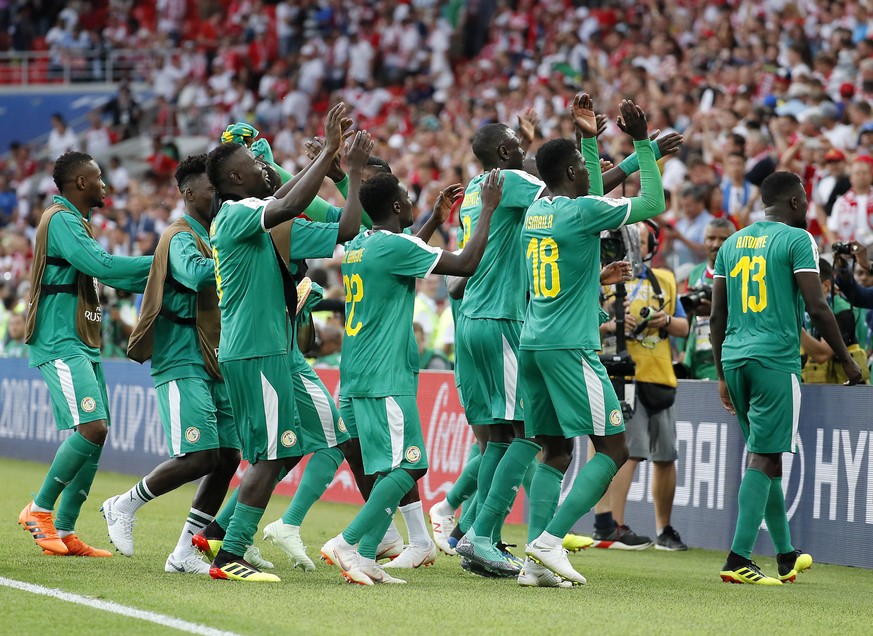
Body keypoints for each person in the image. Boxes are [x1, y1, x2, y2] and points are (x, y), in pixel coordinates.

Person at [319, 168, 504, 586]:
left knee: (391, 468)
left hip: (359, 372)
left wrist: (435, 219)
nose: (411, 200)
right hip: (385, 376)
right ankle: (349, 542)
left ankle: (366, 555)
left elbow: (402, 254)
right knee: (410, 466)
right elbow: (467, 263)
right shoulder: (394, 246)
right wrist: (488, 209)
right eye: (407, 197)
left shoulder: (360, 245)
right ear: (398, 206)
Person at [519, 97, 669, 587]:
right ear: (569, 172)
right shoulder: (580, 211)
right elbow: (652, 205)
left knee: (555, 452)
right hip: (569, 346)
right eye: (585, 163)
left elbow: (587, 194)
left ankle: (531, 564)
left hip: (534, 342)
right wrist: (644, 143)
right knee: (614, 447)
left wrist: (586, 138)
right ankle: (547, 542)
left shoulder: (537, 212)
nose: (592, 169)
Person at [203, 102, 352, 583]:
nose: (263, 169)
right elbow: (286, 201)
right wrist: (326, 152)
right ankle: (231, 554)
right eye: (253, 165)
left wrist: (326, 168)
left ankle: (222, 531)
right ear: (236, 179)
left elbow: (314, 212)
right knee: (272, 452)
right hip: (256, 350)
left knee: (310, 439)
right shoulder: (236, 213)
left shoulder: (250, 212)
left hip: (275, 349)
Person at [711, 170, 862, 585]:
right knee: (764, 456)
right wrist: (848, 361)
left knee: (767, 455)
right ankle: (738, 558)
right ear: (795, 202)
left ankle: (784, 554)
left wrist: (722, 374)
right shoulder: (798, 240)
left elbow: (716, 316)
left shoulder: (731, 242)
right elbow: (817, 307)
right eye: (806, 200)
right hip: (774, 361)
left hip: (735, 360)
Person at [99, 155, 244, 575]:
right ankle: (123, 504)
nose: (219, 194)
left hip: (213, 357)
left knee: (229, 457)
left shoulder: (215, 230)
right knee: (199, 456)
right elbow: (198, 275)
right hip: (180, 356)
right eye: (212, 188)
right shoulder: (179, 236)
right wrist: (234, 247)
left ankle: (184, 552)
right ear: (189, 194)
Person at [19, 151, 151, 557]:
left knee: (97, 433)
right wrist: (163, 261)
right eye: (98, 178)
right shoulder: (60, 220)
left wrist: (164, 268)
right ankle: (39, 510)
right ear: (80, 184)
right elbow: (102, 265)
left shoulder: (76, 222)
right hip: (60, 338)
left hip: (82, 337)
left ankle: (65, 527)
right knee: (91, 427)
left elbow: (107, 273)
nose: (105, 185)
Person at [594, 221, 690, 552]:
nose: (633, 243)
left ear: (651, 246)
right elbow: (590, 324)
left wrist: (664, 321)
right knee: (628, 453)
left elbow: (684, 326)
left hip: (660, 374)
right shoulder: (605, 279)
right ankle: (614, 525)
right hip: (621, 375)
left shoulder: (664, 279)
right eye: (627, 237)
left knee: (666, 456)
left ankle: (664, 529)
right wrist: (611, 324)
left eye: (640, 238)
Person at [800, 258, 869, 385]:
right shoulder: (802, 306)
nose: (802, 289)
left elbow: (822, 354)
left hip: (849, 393)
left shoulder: (842, 311)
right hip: (819, 389)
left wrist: (794, 326)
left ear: (826, 286)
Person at [683, 218, 736, 380]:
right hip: (696, 355)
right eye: (711, 238)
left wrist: (714, 309)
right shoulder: (695, 273)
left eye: (723, 239)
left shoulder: (738, 273)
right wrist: (682, 349)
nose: (716, 244)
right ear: (704, 241)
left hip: (725, 355)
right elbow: (686, 315)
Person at [828, 156, 873, 245]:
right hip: (849, 254)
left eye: (864, 173)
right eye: (857, 173)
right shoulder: (841, 202)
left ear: (871, 176)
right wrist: (838, 250)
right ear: (851, 178)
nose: (861, 176)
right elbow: (832, 229)